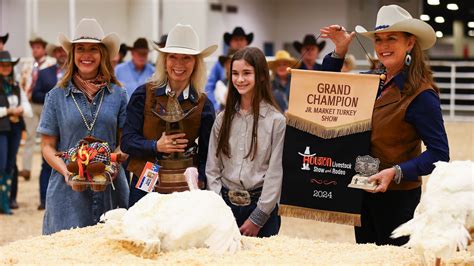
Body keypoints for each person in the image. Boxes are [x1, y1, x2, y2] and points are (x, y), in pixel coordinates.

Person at [322, 5, 450, 246]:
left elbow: (440, 153)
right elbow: (327, 89)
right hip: (361, 190)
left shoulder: (422, 95)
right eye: (379, 39)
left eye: (392, 38)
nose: (383, 46)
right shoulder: (371, 81)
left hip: (397, 198)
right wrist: (339, 51)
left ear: (410, 43)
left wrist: (396, 172)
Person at [37, 18, 129, 234]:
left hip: (110, 191)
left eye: (93, 49)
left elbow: (125, 141)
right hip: (67, 196)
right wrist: (67, 172)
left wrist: (111, 166)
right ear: (73, 54)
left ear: (102, 54)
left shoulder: (119, 95)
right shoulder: (55, 96)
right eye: (80, 49)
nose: (86, 55)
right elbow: (47, 146)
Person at [121, 24, 217, 207]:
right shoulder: (143, 95)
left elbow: (208, 154)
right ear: (164, 60)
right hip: (146, 183)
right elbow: (127, 141)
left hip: (185, 184)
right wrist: (156, 145)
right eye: (173, 57)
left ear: (196, 62)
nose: (179, 64)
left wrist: (200, 180)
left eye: (186, 58)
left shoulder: (203, 105)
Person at [206, 47, 286, 237]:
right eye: (235, 73)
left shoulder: (277, 121)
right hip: (224, 206)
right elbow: (212, 168)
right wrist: (220, 211)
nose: (240, 79)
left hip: (261, 210)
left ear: (261, 76)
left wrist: (258, 218)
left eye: (246, 73)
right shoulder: (222, 119)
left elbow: (276, 174)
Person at [31, 43, 67, 210]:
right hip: (51, 120)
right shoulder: (45, 72)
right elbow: (35, 94)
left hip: (70, 121)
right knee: (47, 161)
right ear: (54, 54)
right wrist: (54, 98)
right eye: (58, 51)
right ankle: (44, 200)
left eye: (63, 50)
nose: (61, 53)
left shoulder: (77, 72)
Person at [0, 50, 33, 214]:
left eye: (8, 65)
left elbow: (27, 108)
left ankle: (5, 201)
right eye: (3, 64)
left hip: (15, 128)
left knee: (10, 166)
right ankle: (3, 201)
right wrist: (8, 111)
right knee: (2, 164)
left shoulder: (15, 85)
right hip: (2, 129)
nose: (6, 67)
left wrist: (19, 110)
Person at [19, 36, 56, 181]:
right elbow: (23, 83)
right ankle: (26, 168)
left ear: (44, 49)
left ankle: (47, 165)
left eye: (38, 47)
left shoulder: (51, 64)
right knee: (29, 136)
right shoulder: (28, 65)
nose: (35, 50)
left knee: (47, 136)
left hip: (46, 104)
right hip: (31, 103)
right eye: (33, 48)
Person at [205, 27, 253, 111]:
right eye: (235, 39)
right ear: (230, 42)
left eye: (241, 39)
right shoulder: (219, 65)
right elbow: (209, 86)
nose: (238, 42)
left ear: (246, 42)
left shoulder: (253, 62)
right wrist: (215, 106)